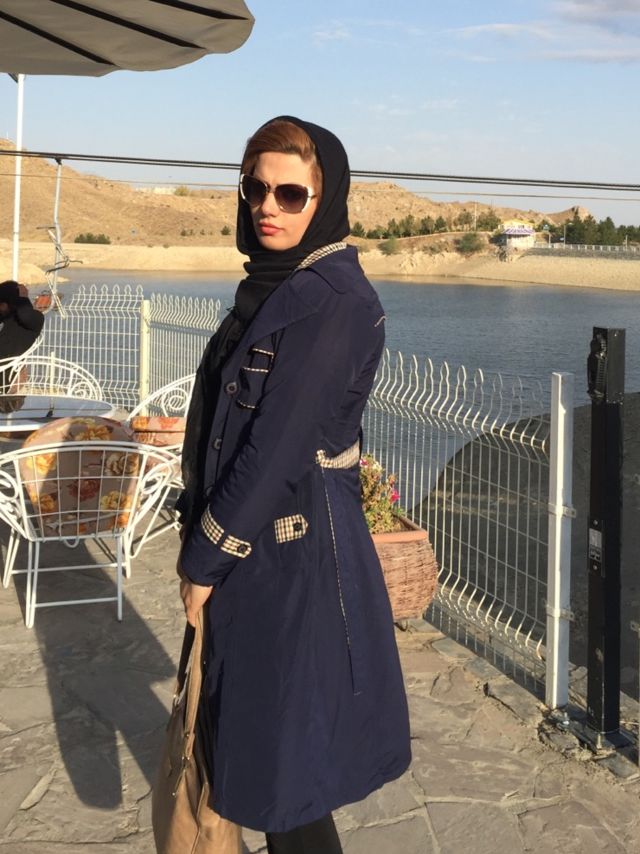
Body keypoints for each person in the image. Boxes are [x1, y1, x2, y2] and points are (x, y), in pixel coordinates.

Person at [176, 116, 411, 854]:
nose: (266, 207)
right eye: (255, 189)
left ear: (326, 197)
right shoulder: (275, 286)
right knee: (274, 767)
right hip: (261, 551)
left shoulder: (335, 301)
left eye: (289, 193)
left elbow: (277, 448)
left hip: (296, 559)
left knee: (288, 780)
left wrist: (203, 559)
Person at [0, 280, 44, 395]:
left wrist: (23, 298)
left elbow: (25, 314)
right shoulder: (8, 318)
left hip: (5, 377)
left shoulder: (34, 319)